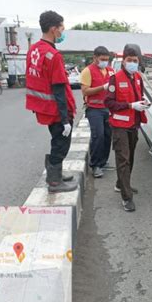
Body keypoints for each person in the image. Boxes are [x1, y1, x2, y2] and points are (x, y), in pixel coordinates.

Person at [25, 10, 77, 193]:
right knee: (61, 143)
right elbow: (59, 89)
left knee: (56, 140)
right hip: (56, 109)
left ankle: (57, 173)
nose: (63, 31)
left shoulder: (34, 50)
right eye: (62, 27)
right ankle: (54, 181)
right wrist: (65, 119)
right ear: (54, 29)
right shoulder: (53, 55)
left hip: (42, 107)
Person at [104, 47, 150, 212]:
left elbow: (139, 96)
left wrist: (143, 103)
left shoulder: (138, 77)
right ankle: (126, 196)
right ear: (123, 61)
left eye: (135, 61)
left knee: (129, 157)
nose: (132, 63)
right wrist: (130, 105)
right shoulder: (115, 79)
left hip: (134, 125)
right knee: (123, 159)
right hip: (119, 126)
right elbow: (108, 103)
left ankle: (121, 184)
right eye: (129, 60)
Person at [80, 46, 114, 178]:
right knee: (98, 136)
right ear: (95, 58)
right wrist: (102, 87)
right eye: (102, 59)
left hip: (108, 108)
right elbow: (85, 91)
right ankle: (95, 165)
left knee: (107, 135)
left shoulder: (110, 71)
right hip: (94, 109)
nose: (105, 62)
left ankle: (103, 161)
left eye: (107, 59)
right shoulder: (87, 71)